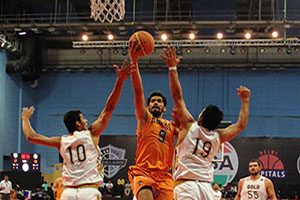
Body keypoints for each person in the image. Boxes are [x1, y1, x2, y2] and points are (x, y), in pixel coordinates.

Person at [22, 60, 132, 200]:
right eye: (83, 118)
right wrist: (120, 81)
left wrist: (25, 118)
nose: (86, 120)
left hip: (68, 193)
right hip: (88, 191)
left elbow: (31, 137)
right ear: (78, 123)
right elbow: (109, 108)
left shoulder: (61, 141)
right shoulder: (91, 133)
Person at [160, 46, 251, 200]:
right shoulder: (219, 136)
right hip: (206, 188)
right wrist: (245, 100)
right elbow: (241, 125)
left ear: (200, 118)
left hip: (186, 186)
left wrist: (172, 68)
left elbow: (177, 96)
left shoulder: (190, 125)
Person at [128, 39, 176, 200]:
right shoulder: (144, 119)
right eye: (153, 101)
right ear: (148, 107)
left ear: (164, 108)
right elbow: (137, 91)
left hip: (164, 176)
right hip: (143, 172)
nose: (155, 102)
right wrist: (134, 62)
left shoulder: (172, 126)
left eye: (159, 101)